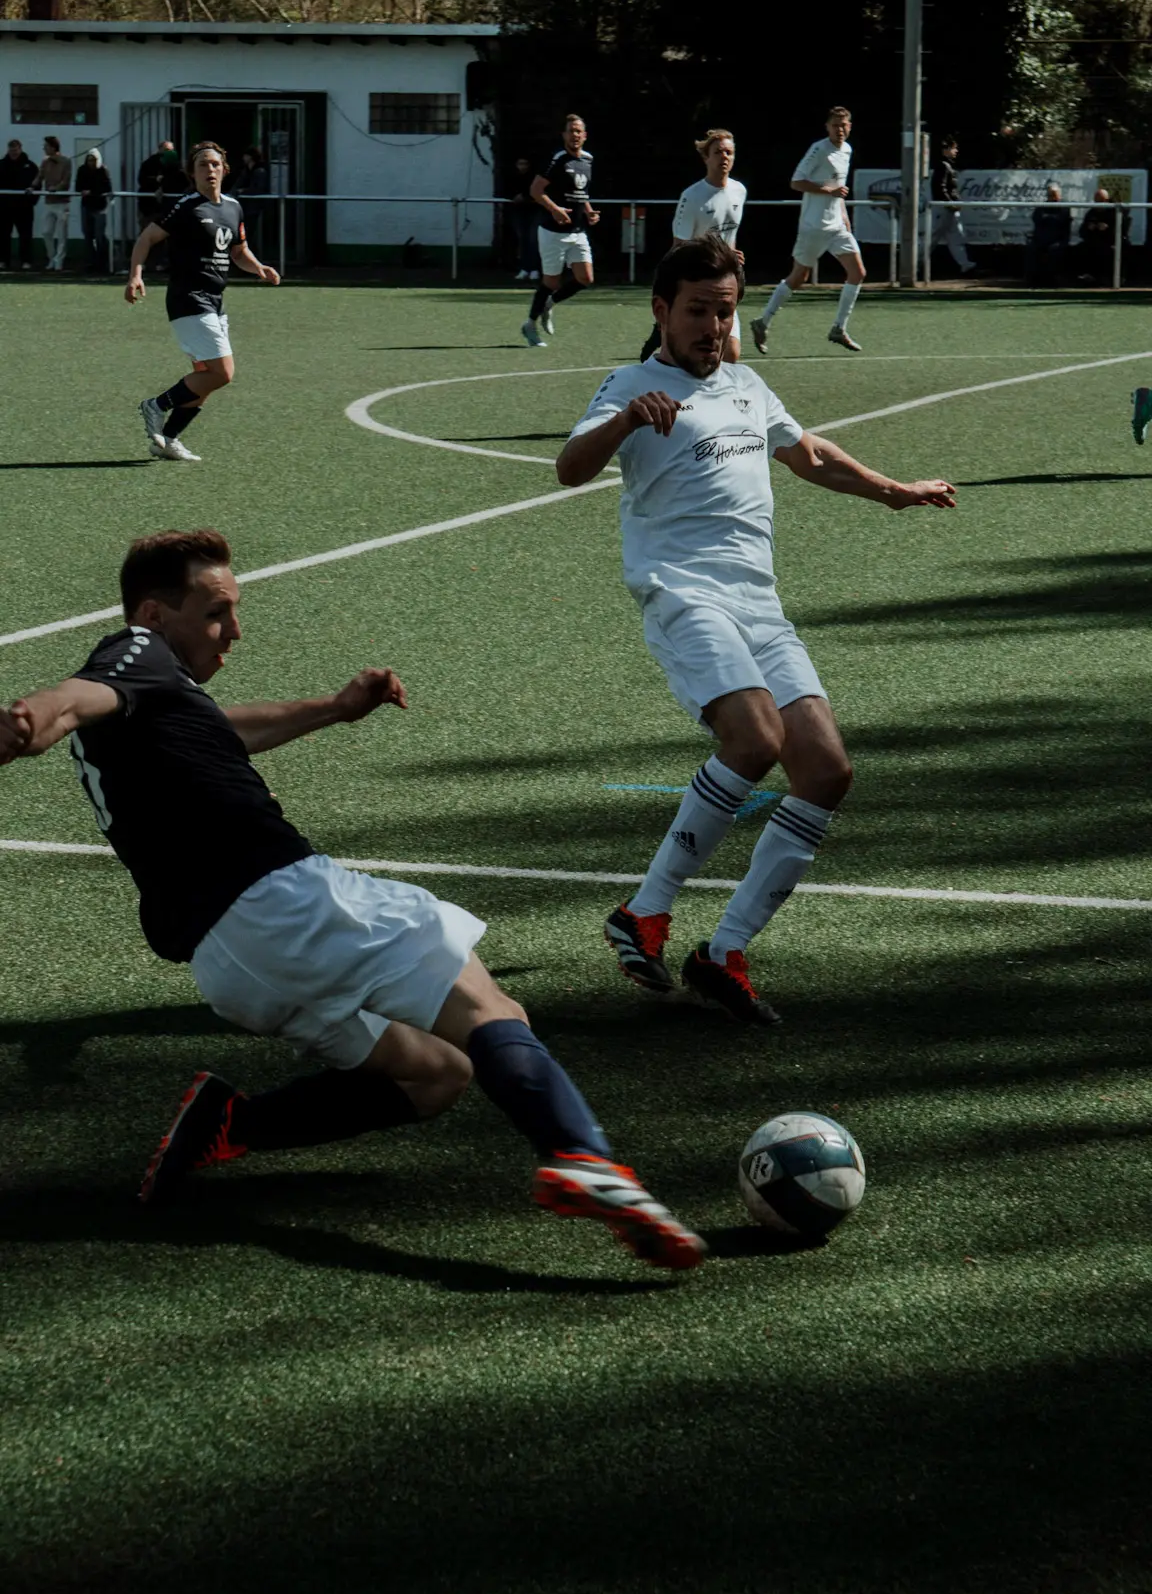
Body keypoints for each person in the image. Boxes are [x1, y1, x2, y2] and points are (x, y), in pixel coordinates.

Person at [0, 528, 703, 1272]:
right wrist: (30, 720)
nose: (234, 630)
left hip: (231, 963)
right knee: (489, 1011)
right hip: (284, 905)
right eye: (215, 613)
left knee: (436, 1074)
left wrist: (335, 708)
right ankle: (583, 1157)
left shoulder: (159, 704)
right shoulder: (134, 652)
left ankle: (230, 1122)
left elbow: (219, 729)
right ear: (152, 614)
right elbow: (76, 697)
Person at [557, 235, 955, 1024]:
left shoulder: (746, 384)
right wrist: (625, 420)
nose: (712, 328)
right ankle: (645, 912)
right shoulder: (632, 384)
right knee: (753, 739)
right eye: (698, 311)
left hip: (759, 605)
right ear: (662, 310)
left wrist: (895, 491)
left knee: (826, 771)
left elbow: (809, 456)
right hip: (685, 595)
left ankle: (725, 950)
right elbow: (570, 467)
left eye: (725, 313)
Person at [127, 140, 279, 463]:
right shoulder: (185, 206)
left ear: (224, 170)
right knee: (222, 373)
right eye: (202, 165)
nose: (210, 169)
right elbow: (147, 238)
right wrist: (136, 274)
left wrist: (259, 267)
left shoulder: (233, 207)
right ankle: (155, 405)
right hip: (188, 298)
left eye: (215, 164)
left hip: (215, 300)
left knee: (204, 378)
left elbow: (238, 251)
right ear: (192, 173)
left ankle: (168, 440)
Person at [751, 107, 865, 355]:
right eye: (835, 125)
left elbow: (839, 187)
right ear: (827, 127)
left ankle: (839, 328)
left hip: (836, 227)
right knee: (798, 278)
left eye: (844, 125)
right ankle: (763, 321)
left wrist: (844, 215)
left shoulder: (847, 150)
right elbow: (796, 181)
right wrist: (829, 191)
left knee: (857, 272)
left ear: (850, 126)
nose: (840, 129)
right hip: (814, 226)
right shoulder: (818, 149)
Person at [639, 128, 748, 363]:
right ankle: (663, 328)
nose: (724, 157)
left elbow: (730, 234)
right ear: (706, 157)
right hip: (699, 283)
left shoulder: (739, 191)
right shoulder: (692, 197)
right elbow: (679, 248)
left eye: (729, 152)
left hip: (724, 282)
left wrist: (731, 257)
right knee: (702, 351)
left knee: (731, 354)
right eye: (718, 152)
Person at [521, 114, 600, 348]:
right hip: (552, 231)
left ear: (585, 135)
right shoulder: (557, 159)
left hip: (577, 231)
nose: (575, 135)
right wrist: (555, 210)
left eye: (578, 131)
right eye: (571, 131)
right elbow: (536, 190)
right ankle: (530, 325)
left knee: (585, 278)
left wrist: (589, 212)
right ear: (564, 135)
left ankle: (549, 304)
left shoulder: (588, 159)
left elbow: (581, 193)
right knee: (551, 282)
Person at [136, 140, 186, 273]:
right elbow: (142, 180)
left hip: (168, 207)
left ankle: (165, 263)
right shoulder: (149, 164)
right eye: (166, 150)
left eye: (171, 150)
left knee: (168, 237)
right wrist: (155, 181)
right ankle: (144, 263)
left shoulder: (176, 166)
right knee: (147, 234)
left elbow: (180, 182)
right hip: (149, 207)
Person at [930, 137, 976, 276]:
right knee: (932, 238)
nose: (956, 151)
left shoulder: (947, 166)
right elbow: (940, 187)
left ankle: (966, 265)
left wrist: (953, 203)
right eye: (954, 148)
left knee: (956, 237)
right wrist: (950, 203)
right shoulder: (943, 166)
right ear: (946, 150)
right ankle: (912, 264)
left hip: (949, 208)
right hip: (944, 208)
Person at [1076, 185, 1126, 286]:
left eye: (1101, 200)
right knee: (1081, 249)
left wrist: (1108, 229)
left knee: (1109, 251)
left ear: (1106, 200)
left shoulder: (1114, 212)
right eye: (1096, 201)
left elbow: (1122, 231)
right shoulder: (1091, 212)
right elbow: (1081, 232)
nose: (1098, 204)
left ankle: (1110, 278)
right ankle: (1088, 276)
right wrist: (1089, 228)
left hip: (1110, 242)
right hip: (1093, 242)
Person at [0, 137, 38, 269]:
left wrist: (32, 201)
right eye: (11, 150)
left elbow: (37, 183)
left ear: (20, 149)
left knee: (25, 235)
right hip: (4, 207)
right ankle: (3, 261)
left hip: (24, 207)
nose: (13, 153)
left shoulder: (30, 166)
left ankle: (26, 261)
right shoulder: (1, 165)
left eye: (15, 150)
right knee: (3, 235)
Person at [37, 135, 72, 272]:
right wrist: (32, 187)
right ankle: (51, 257)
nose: (44, 148)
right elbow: (39, 177)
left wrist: (56, 188)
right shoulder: (45, 161)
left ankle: (59, 260)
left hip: (62, 202)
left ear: (53, 147)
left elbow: (66, 181)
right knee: (46, 232)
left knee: (61, 234)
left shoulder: (66, 161)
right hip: (49, 202)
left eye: (46, 146)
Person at [1026, 183, 1070, 286]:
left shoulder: (1064, 208)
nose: (1052, 197)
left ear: (1059, 195)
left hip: (1058, 240)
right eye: (1050, 195)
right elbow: (1037, 219)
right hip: (1041, 240)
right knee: (1031, 248)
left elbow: (1062, 222)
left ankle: (1052, 280)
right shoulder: (1041, 207)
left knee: (1054, 250)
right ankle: (1032, 280)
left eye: (1054, 195)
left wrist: (1047, 219)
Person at [76, 148, 112, 271]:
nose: (91, 163)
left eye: (94, 160)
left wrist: (92, 191)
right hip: (86, 205)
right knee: (87, 234)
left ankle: (103, 261)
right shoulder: (82, 170)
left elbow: (107, 187)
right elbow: (78, 186)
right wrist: (84, 191)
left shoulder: (103, 171)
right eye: (89, 160)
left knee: (99, 234)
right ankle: (90, 262)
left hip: (100, 206)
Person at [507, 154, 540, 280]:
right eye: (520, 164)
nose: (523, 167)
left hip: (534, 211)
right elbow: (507, 191)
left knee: (533, 239)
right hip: (519, 212)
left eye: (525, 164)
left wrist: (526, 197)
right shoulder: (511, 178)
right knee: (522, 240)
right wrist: (515, 197)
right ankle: (524, 268)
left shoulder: (535, 177)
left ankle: (535, 268)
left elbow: (538, 191)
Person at [233, 147, 270, 236]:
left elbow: (258, 189)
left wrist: (242, 191)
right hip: (245, 207)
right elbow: (238, 184)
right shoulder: (246, 171)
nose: (243, 158)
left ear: (250, 157)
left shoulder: (259, 171)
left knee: (248, 231)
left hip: (253, 207)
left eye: (245, 155)